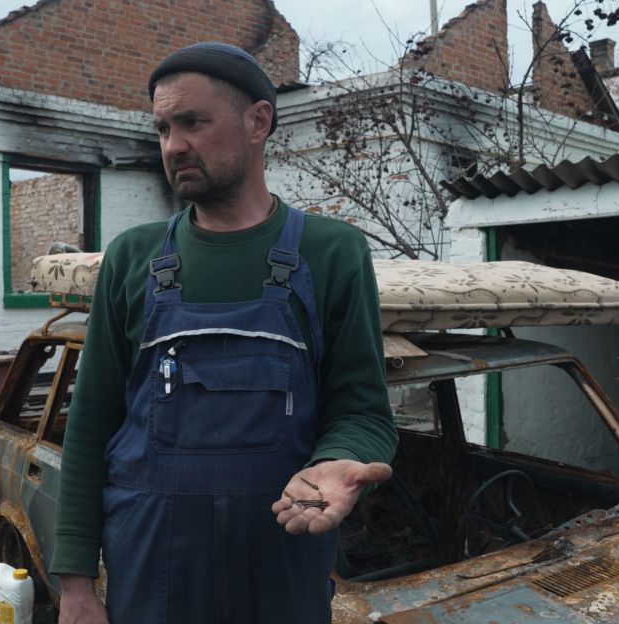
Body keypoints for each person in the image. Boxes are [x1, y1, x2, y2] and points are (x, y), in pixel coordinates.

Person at [50, 41, 397, 624]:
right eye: (163, 128)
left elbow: (363, 411)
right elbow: (88, 429)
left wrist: (341, 459)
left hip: (281, 566)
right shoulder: (132, 258)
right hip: (151, 571)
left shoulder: (332, 252)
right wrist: (76, 585)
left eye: (192, 122)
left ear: (258, 121)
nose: (173, 145)